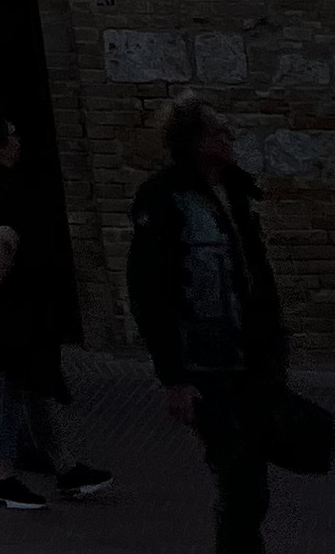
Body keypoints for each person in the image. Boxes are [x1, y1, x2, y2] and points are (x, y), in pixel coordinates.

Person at [128, 100, 290, 554]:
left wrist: (275, 344)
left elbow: (254, 272)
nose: (230, 136)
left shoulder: (236, 191)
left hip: (253, 358)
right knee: (236, 476)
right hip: (204, 363)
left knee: (254, 475)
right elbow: (148, 292)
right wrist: (173, 378)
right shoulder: (163, 198)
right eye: (220, 131)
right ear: (197, 141)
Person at [0, 105, 114, 510]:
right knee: (11, 385)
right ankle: (1, 478)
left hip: (1, 307)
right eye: (10, 132)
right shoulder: (1, 184)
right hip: (12, 307)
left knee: (32, 385)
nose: (17, 139)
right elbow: (4, 238)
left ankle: (64, 468)